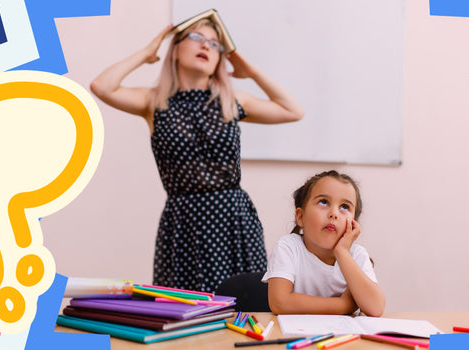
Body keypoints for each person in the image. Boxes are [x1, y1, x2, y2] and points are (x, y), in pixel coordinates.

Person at [89, 19, 304, 293]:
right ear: (175, 49)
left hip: (233, 219)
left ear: (219, 60)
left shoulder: (230, 100)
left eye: (215, 44)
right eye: (196, 37)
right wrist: (146, 53)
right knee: (184, 314)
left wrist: (251, 71)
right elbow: (101, 86)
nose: (206, 45)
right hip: (183, 223)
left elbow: (293, 110)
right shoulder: (154, 101)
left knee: (246, 306)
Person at [263, 170, 385, 316]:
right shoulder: (288, 247)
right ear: (301, 217)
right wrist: (343, 305)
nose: (334, 213)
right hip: (296, 336)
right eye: (323, 202)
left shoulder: (356, 254)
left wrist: (342, 252)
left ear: (354, 224)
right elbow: (279, 303)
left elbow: (375, 308)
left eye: (344, 207)